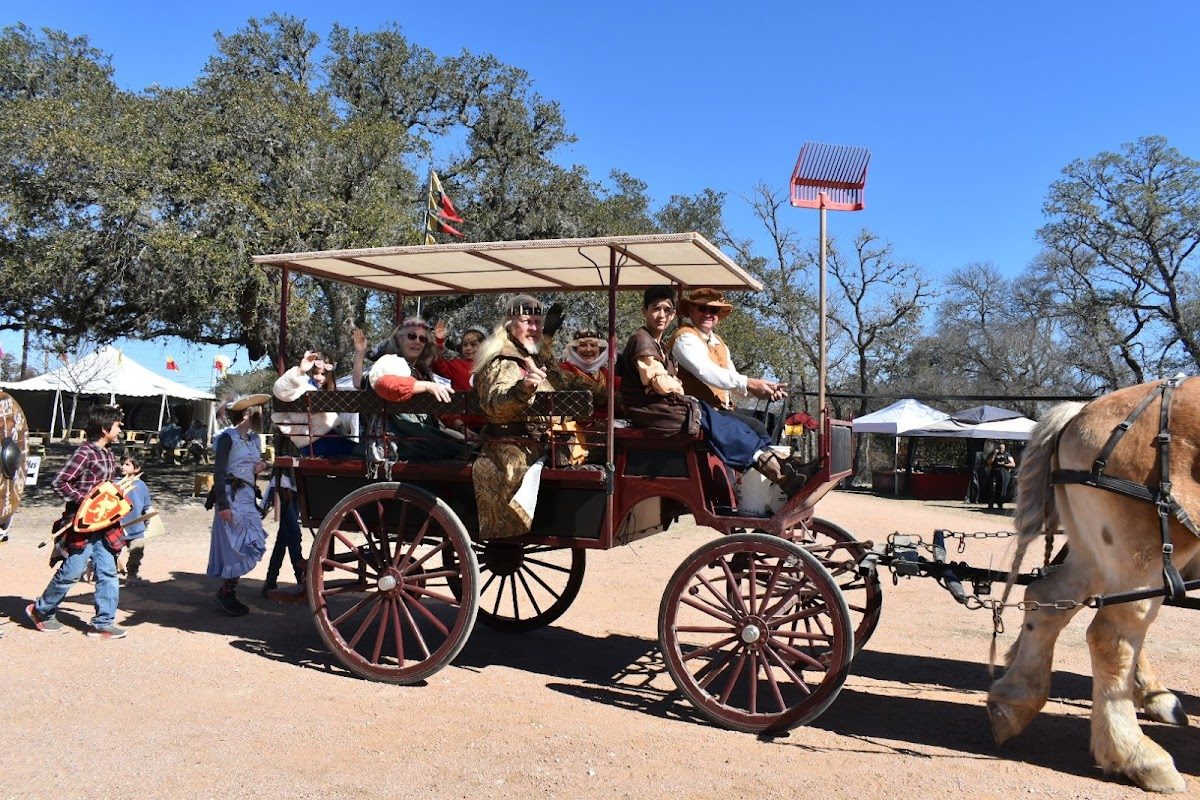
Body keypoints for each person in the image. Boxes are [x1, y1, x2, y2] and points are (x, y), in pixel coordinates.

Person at [621, 287, 806, 494]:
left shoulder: (702, 343)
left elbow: (731, 377)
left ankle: (777, 473)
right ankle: (767, 475)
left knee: (760, 425)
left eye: (714, 311)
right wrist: (679, 386)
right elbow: (695, 374)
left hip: (677, 406)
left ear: (673, 314)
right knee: (719, 419)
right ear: (690, 311)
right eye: (702, 308)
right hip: (657, 410)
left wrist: (763, 388)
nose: (708, 314)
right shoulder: (673, 338)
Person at [471, 294, 596, 539]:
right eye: (528, 321)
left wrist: (609, 389)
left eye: (539, 322)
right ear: (509, 323)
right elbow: (495, 402)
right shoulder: (501, 359)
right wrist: (523, 388)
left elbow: (565, 382)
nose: (534, 328)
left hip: (543, 443)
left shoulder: (534, 355)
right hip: (509, 446)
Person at [26, 404, 128, 638]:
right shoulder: (85, 453)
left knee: (108, 572)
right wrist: (87, 502)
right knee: (72, 571)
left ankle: (103, 623)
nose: (120, 430)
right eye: (117, 426)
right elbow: (60, 482)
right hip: (82, 524)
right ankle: (41, 611)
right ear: (104, 429)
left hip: (106, 524)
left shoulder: (109, 453)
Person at [206, 393, 271, 615]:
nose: (260, 414)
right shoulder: (226, 438)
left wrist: (263, 464)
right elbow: (219, 471)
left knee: (251, 543)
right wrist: (223, 504)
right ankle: (227, 592)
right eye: (256, 411)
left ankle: (228, 590)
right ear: (246, 414)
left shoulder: (255, 439)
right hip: (230, 497)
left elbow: (258, 461)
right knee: (235, 546)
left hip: (247, 498)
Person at [272, 329, 367, 457]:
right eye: (315, 373)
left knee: (360, 450)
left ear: (330, 375)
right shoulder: (303, 386)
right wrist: (300, 370)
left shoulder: (331, 393)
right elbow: (280, 389)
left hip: (323, 443)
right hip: (318, 444)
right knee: (362, 452)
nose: (319, 377)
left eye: (323, 374)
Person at [261, 471, 305, 601]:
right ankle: (301, 579)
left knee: (284, 536)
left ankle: (270, 581)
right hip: (284, 483)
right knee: (294, 534)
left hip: (295, 482)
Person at [117, 454, 154, 584]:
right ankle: (103, 572)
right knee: (112, 552)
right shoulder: (117, 484)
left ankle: (132, 575)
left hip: (137, 527)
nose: (123, 467)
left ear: (137, 468)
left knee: (136, 552)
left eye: (127, 464)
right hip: (118, 527)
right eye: (122, 464)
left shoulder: (142, 486)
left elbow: (146, 506)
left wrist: (148, 520)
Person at [432, 321, 488, 392]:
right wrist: (439, 341)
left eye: (473, 345)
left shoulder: (490, 366)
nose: (468, 348)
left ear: (483, 346)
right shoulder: (456, 365)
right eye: (465, 345)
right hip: (460, 402)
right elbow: (437, 364)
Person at [986, 442, 1017, 510]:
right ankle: (990, 504)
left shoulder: (1007, 455)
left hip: (1004, 474)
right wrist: (994, 454)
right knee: (992, 488)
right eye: (999, 448)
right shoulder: (993, 454)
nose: (1001, 450)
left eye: (1002, 448)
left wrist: (1004, 464)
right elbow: (989, 462)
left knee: (1002, 489)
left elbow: (1013, 464)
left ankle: (1000, 504)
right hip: (994, 473)